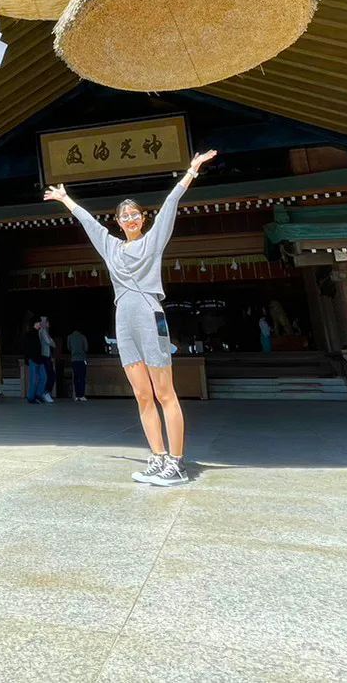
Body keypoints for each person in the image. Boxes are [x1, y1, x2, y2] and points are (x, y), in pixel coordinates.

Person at [45, 148, 217, 486]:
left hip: (150, 315)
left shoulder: (153, 241)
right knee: (141, 394)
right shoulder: (110, 247)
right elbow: (89, 224)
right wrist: (66, 199)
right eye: (124, 216)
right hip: (123, 320)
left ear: (143, 219)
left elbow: (170, 206)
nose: (130, 220)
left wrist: (191, 171)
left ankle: (177, 462)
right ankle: (157, 455)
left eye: (135, 215)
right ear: (119, 222)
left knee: (165, 392)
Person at [21, 316, 47, 403]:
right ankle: (31, 397)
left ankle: (38, 394)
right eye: (39, 322)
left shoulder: (37, 333)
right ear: (36, 323)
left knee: (43, 377)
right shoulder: (31, 334)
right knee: (34, 379)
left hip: (39, 358)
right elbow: (28, 347)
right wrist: (28, 358)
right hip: (33, 359)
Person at [67, 327, 89, 401]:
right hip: (82, 359)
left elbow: (69, 348)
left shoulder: (69, 337)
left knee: (76, 377)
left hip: (74, 359)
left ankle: (77, 395)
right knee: (82, 377)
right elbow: (86, 348)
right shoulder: (83, 337)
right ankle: (81, 394)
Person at [38, 315, 56, 403]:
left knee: (50, 375)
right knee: (50, 375)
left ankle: (45, 392)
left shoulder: (45, 331)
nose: (49, 324)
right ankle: (45, 392)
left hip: (47, 355)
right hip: (44, 355)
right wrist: (52, 343)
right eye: (47, 322)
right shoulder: (43, 331)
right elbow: (49, 342)